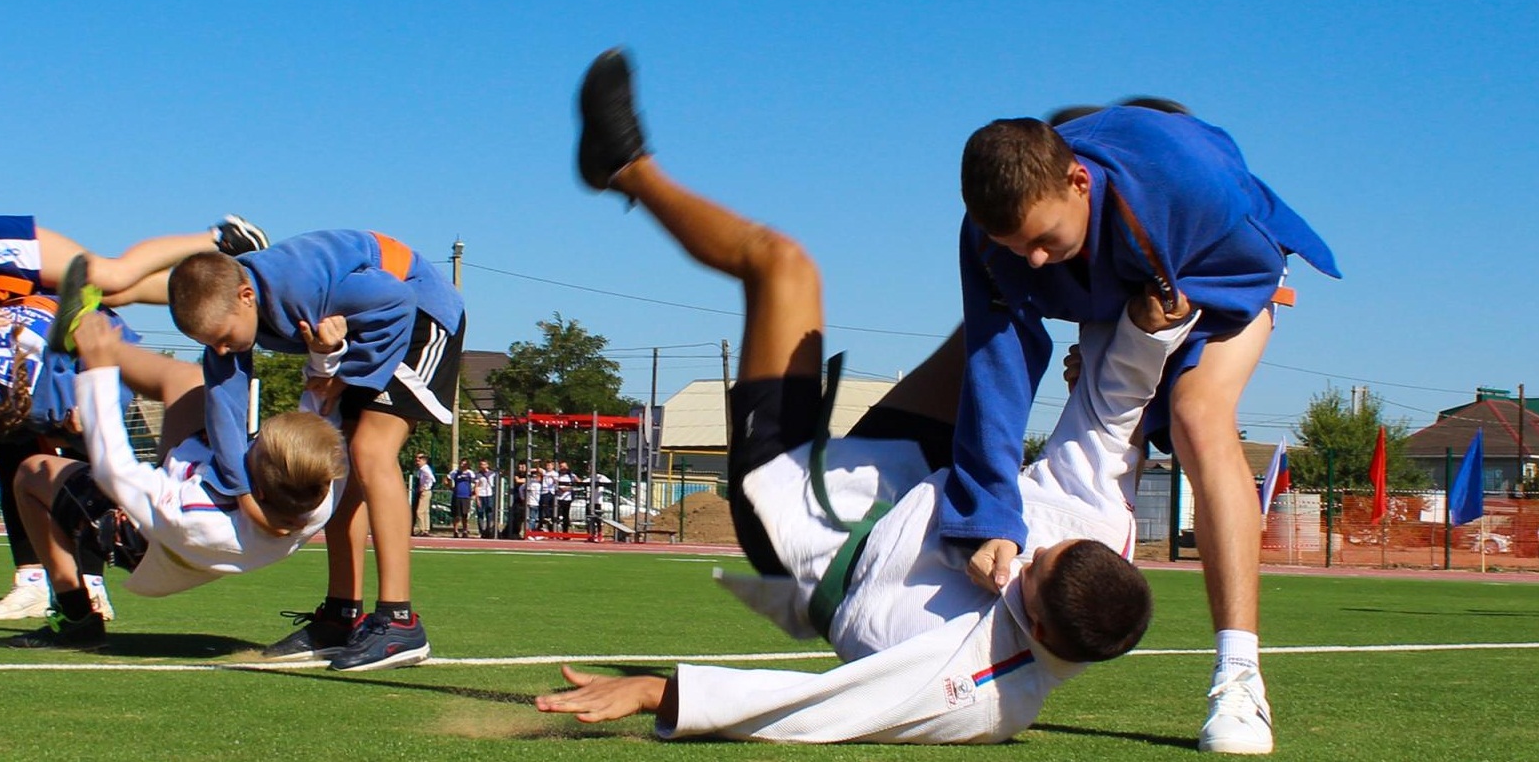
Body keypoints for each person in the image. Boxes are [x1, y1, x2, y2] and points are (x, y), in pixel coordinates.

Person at [538, 49, 1187, 743]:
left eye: (1030, 572)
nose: (1027, 552)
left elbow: (827, 705)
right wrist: (1150, 330)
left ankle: (621, 165)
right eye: (1047, 549)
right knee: (1008, 306)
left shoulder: (973, 690)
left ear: (1039, 627)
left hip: (812, 527)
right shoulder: (1097, 527)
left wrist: (656, 692)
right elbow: (1110, 409)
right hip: (912, 476)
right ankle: (1075, 172)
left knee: (779, 264)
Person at [938, 107, 1337, 753]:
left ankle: (1240, 678)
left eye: (1042, 240)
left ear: (1077, 182)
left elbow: (1250, 274)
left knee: (1194, 414)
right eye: (1016, 247)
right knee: (1089, 395)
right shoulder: (990, 234)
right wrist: (987, 513)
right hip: (1127, 294)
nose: (1032, 261)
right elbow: (996, 364)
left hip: (1221, 281)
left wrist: (1155, 346)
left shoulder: (1187, 186)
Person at [0, 213, 268, 620]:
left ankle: (223, 239)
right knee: (117, 295)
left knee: (112, 276)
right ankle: (40, 579)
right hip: (23, 303)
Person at [166, 229, 466, 672]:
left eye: (225, 337)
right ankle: (341, 616)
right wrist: (245, 498)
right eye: (211, 344)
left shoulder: (295, 289)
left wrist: (344, 378)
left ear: (247, 296)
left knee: (369, 451)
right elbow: (225, 412)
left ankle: (399, 621)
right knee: (340, 467)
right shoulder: (232, 317)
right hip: (369, 331)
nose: (222, 350)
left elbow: (393, 301)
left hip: (421, 314)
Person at [0, 314, 347, 649]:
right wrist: (325, 356)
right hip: (195, 489)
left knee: (30, 473)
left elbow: (113, 469)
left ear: (254, 487)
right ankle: (106, 342)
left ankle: (75, 615)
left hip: (149, 543)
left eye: (254, 445)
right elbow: (320, 413)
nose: (249, 441)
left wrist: (97, 372)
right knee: (190, 381)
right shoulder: (318, 484)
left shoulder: (194, 513)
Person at [412, 453, 437, 536]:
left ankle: (422, 529)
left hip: (425, 491)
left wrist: (424, 486)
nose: (417, 461)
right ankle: (426, 529)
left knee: (419, 511)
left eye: (419, 460)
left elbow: (431, 478)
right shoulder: (422, 469)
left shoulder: (424, 469)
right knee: (425, 511)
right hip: (427, 491)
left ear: (424, 460)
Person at [449, 459, 475, 537]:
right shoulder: (455, 472)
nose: (462, 465)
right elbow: (447, 479)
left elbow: (476, 482)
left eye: (464, 464)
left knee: (465, 515)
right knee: (457, 515)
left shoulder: (470, 473)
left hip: (466, 496)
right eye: (461, 464)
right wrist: (451, 487)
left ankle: (465, 531)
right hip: (457, 496)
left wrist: (473, 492)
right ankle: (455, 531)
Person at [474, 460, 497, 538]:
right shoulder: (478, 474)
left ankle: (488, 530)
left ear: (487, 465)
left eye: (484, 464)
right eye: (481, 464)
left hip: (489, 495)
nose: (482, 466)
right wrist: (477, 498)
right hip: (481, 494)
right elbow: (476, 486)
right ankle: (481, 531)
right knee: (480, 513)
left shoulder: (492, 474)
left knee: (489, 513)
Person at [556, 461, 576, 534]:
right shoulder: (557, 475)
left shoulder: (571, 475)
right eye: (561, 466)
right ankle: (554, 531)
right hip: (558, 498)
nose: (563, 468)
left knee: (565, 516)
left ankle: (565, 532)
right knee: (555, 515)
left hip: (567, 499)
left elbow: (577, 482)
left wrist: (569, 487)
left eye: (565, 466)